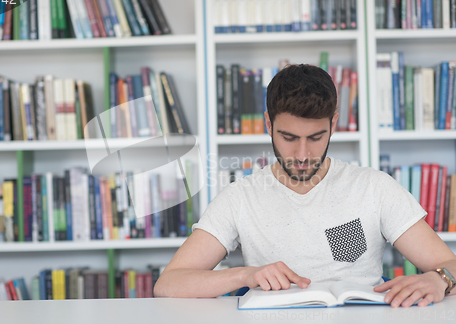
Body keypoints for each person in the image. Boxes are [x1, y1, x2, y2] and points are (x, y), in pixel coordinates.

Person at [153, 64, 456, 307]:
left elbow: (447, 263)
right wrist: (248, 275)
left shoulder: (374, 188)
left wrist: (440, 279)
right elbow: (168, 284)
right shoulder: (239, 198)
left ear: (333, 125)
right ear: (268, 125)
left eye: (315, 138)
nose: (302, 155)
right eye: (288, 138)